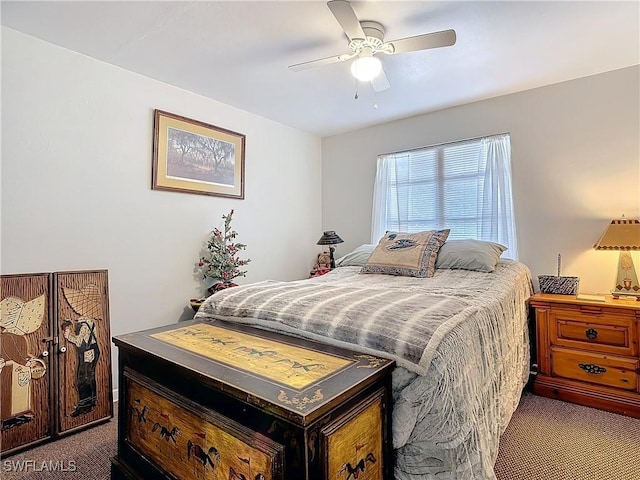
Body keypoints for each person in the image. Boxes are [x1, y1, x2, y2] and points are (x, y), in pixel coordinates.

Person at [62, 316, 100, 417]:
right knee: (91, 377)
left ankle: (84, 406)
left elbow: (79, 342)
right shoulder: (91, 322)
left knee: (82, 380)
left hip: (87, 353)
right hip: (94, 351)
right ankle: (92, 400)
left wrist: (68, 336)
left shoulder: (83, 325)